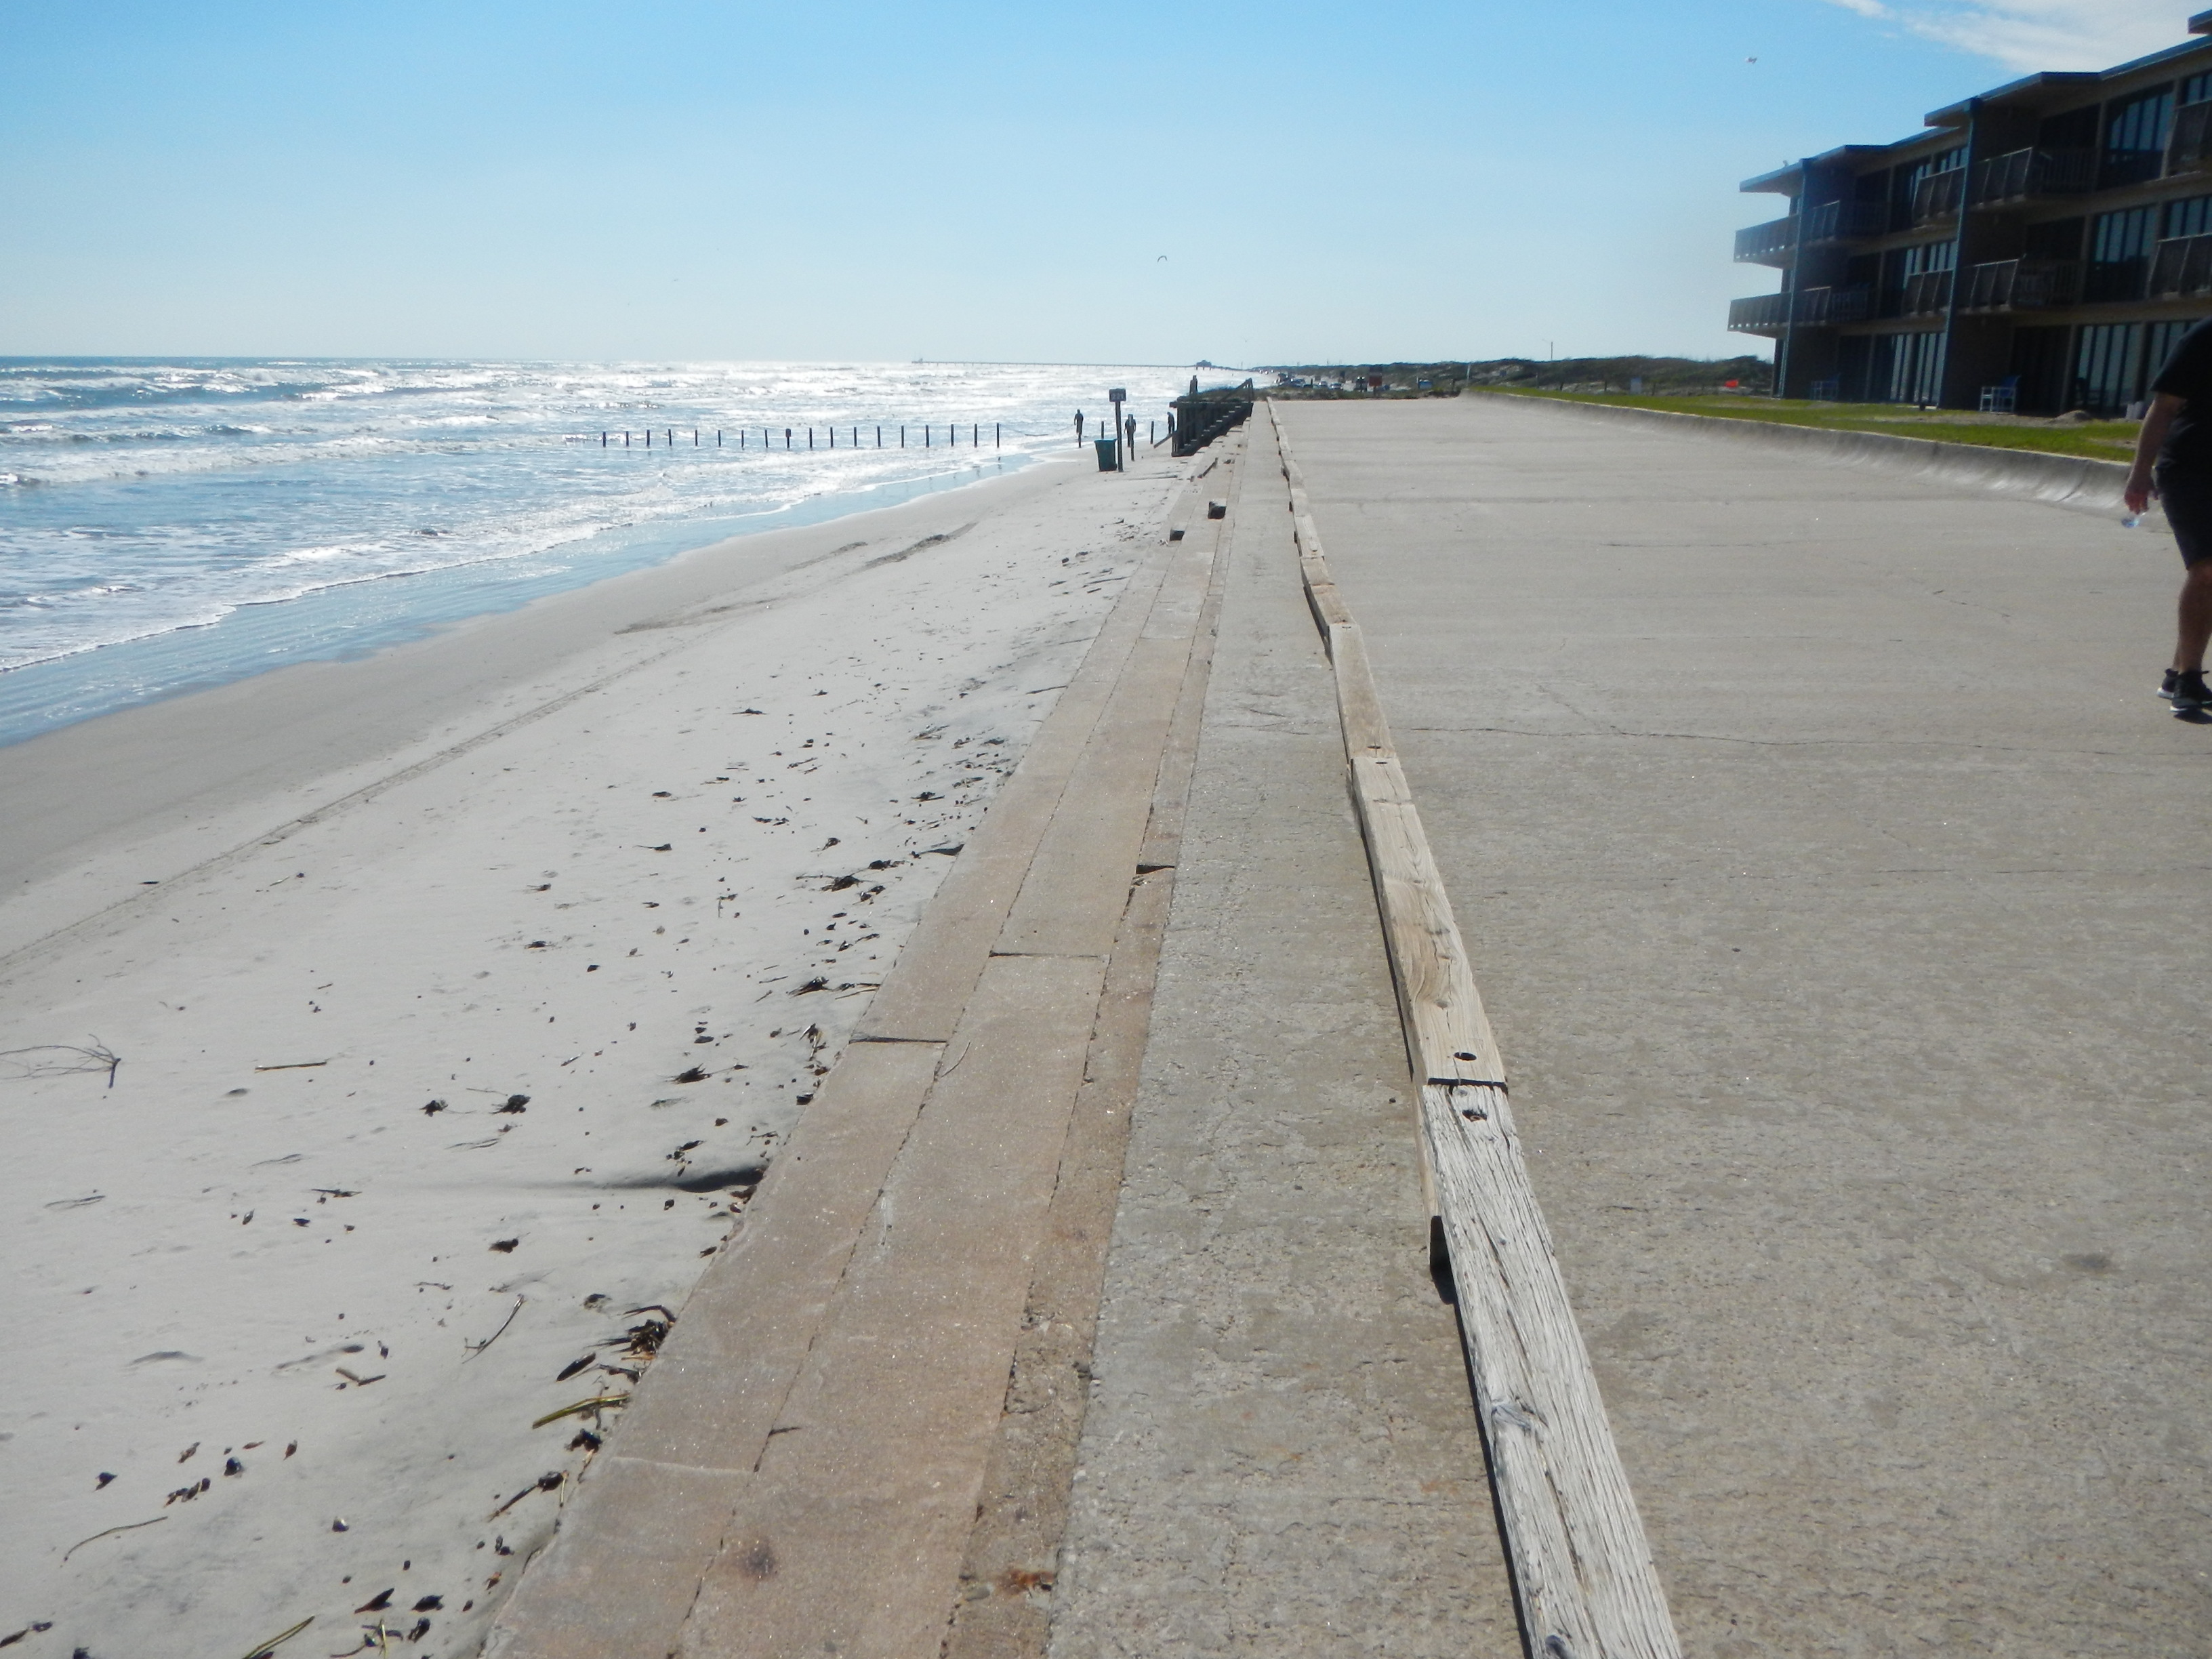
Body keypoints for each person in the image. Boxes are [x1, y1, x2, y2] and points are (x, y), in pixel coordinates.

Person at [2126, 319, 2212, 714]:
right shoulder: (2204, 336)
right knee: (2207, 569)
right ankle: (2190, 680)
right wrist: (2140, 472)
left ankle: (2177, 672)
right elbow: (2164, 407)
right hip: (2191, 469)